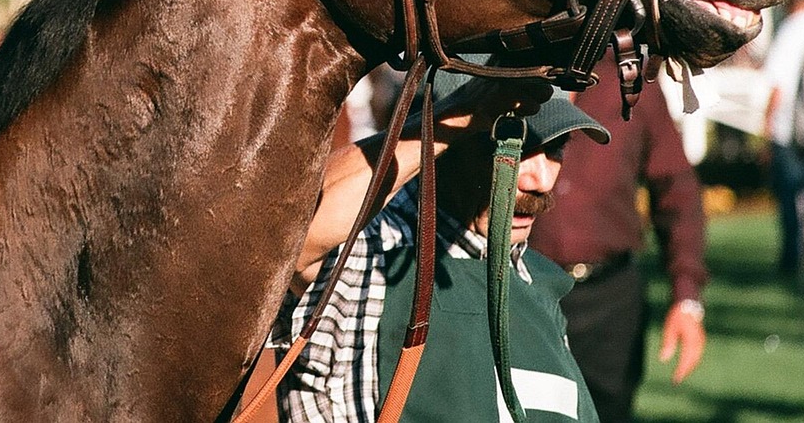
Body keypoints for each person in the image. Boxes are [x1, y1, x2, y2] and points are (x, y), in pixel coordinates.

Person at [275, 72, 609, 423]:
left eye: (555, 147)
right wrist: (457, 114)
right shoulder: (375, 250)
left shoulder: (538, 283)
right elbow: (293, 236)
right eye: (514, 149)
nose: (541, 181)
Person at [528, 51, 707, 422]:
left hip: (609, 298)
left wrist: (687, 297)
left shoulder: (632, 82)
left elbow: (677, 190)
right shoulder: (509, 68)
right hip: (522, 290)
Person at [760, 0, 804, 276]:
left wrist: (767, 125)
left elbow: (778, 85)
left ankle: (793, 261)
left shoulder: (789, 31)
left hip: (790, 127)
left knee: (791, 199)